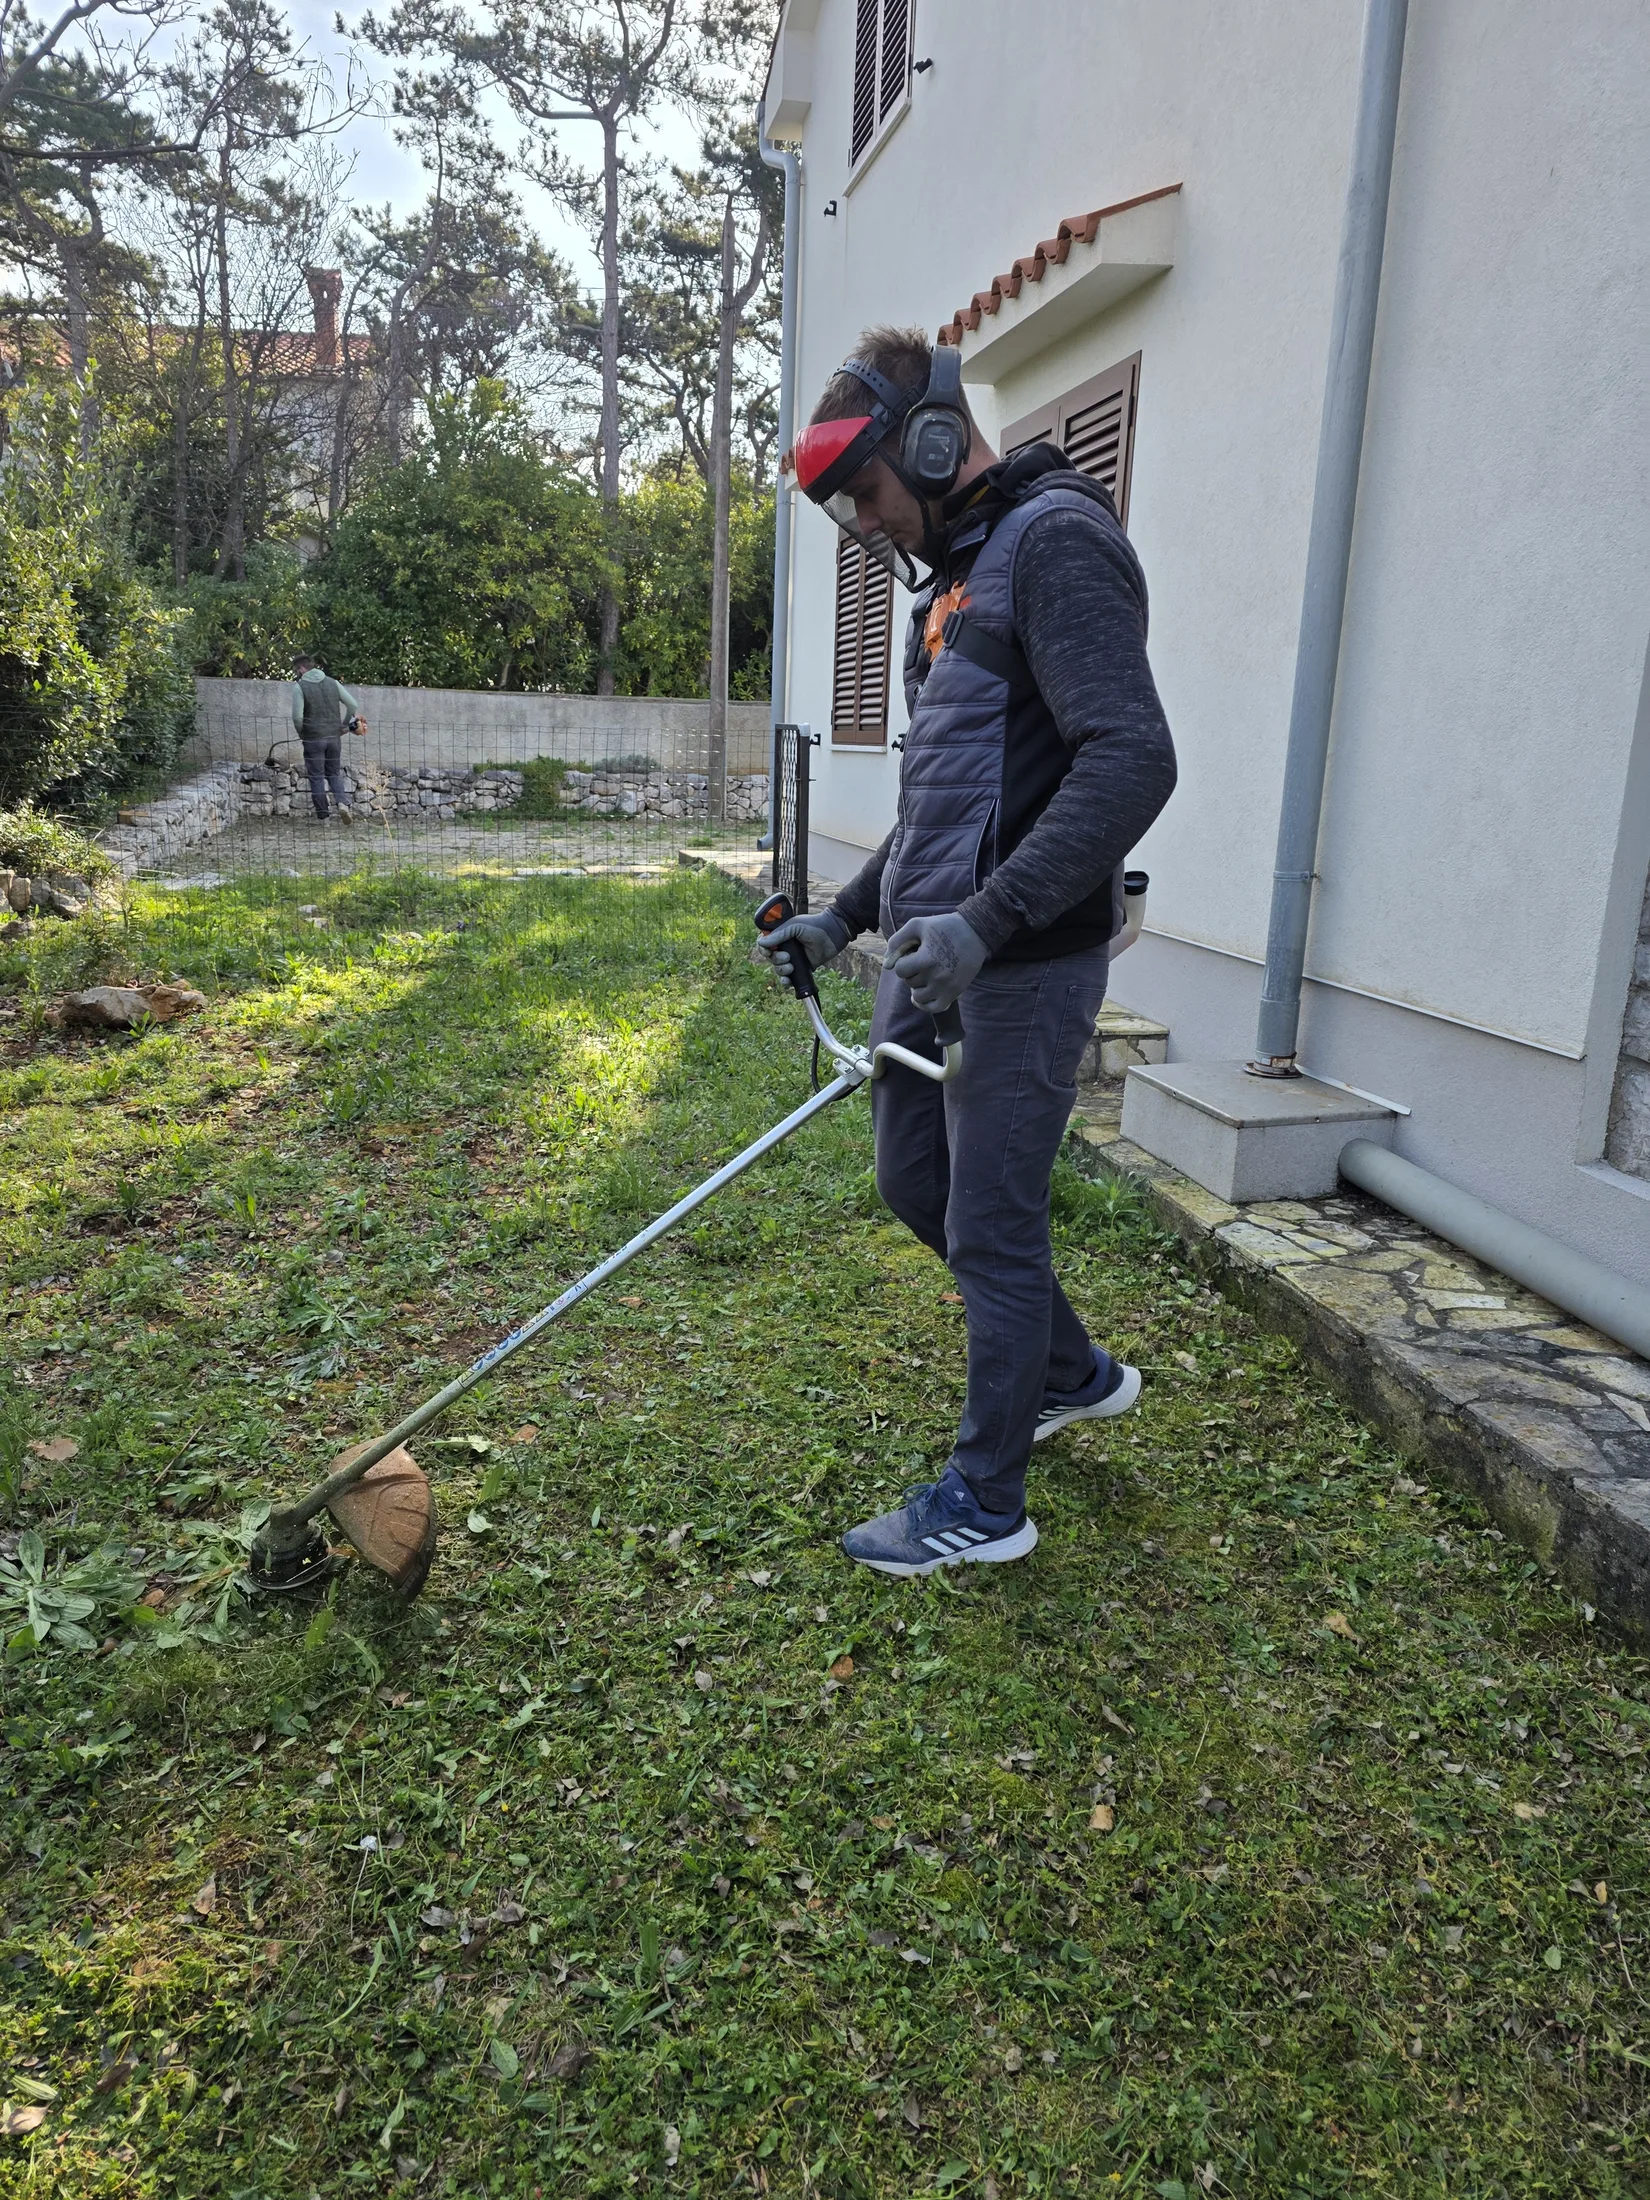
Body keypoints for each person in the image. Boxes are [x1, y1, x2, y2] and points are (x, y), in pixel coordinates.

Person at [761, 326, 1177, 1579]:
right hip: (934, 955)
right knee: (912, 1183)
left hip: (1027, 961)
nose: (866, 525)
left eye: (871, 494)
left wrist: (990, 921)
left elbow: (1133, 758)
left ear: (933, 440)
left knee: (993, 1223)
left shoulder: (1058, 544)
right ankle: (1072, 1371)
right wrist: (843, 915)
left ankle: (988, 1501)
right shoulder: (955, 581)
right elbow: (936, 805)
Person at [292, 656, 366, 824]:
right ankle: (342, 804)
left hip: (313, 739)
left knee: (317, 777)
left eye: (297, 671)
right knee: (333, 773)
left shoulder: (300, 686)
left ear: (302, 669)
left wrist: (301, 732)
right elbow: (352, 705)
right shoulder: (332, 683)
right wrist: (344, 725)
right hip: (334, 738)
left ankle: (323, 817)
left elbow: (297, 717)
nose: (297, 674)